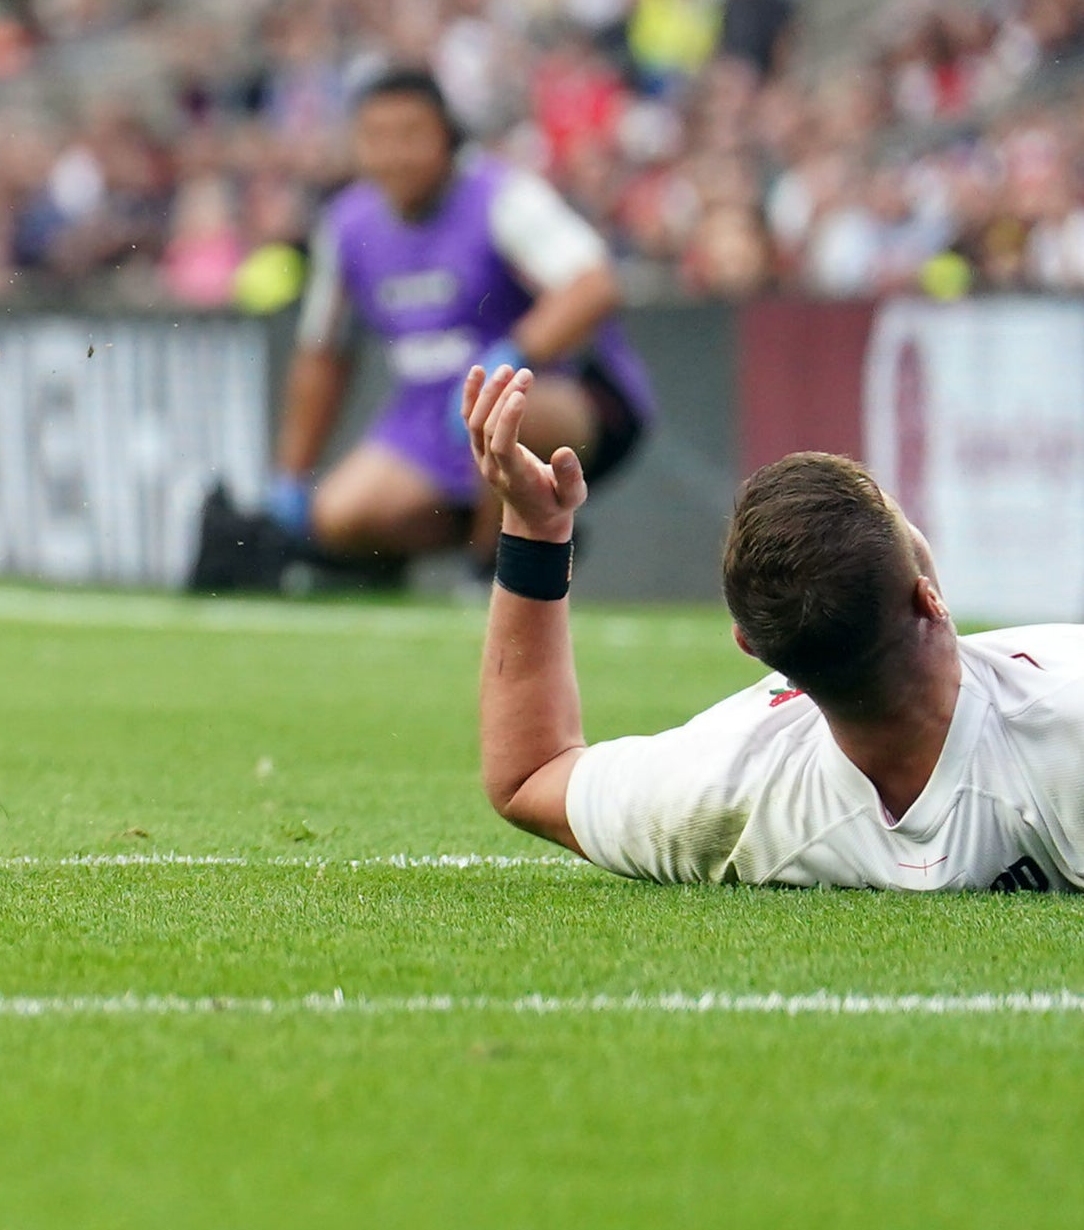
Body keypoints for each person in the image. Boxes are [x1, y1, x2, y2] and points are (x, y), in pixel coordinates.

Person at [464, 360, 1084, 890]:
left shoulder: (739, 790)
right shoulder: (1063, 731)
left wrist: (535, 528)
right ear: (930, 599)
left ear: (756, 652)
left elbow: (530, 774)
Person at [272, 70, 652, 568]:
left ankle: (495, 560)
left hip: (555, 396)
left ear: (447, 138)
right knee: (340, 518)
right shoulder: (345, 226)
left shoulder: (503, 196)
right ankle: (523, 529)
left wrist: (515, 354)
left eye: (410, 135)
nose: (393, 154)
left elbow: (593, 285)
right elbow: (324, 354)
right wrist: (290, 477)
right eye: (376, 138)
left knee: (501, 415)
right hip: (427, 416)